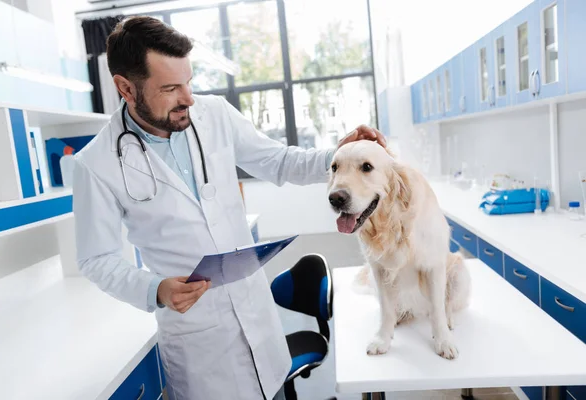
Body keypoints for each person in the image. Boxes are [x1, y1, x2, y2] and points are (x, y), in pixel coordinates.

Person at [72, 16, 387, 400]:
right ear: (125, 88)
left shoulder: (214, 114)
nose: (187, 98)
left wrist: (342, 155)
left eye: (188, 82)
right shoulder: (96, 164)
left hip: (255, 313)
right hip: (199, 340)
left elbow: (279, 161)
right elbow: (96, 258)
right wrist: (155, 289)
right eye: (170, 88)